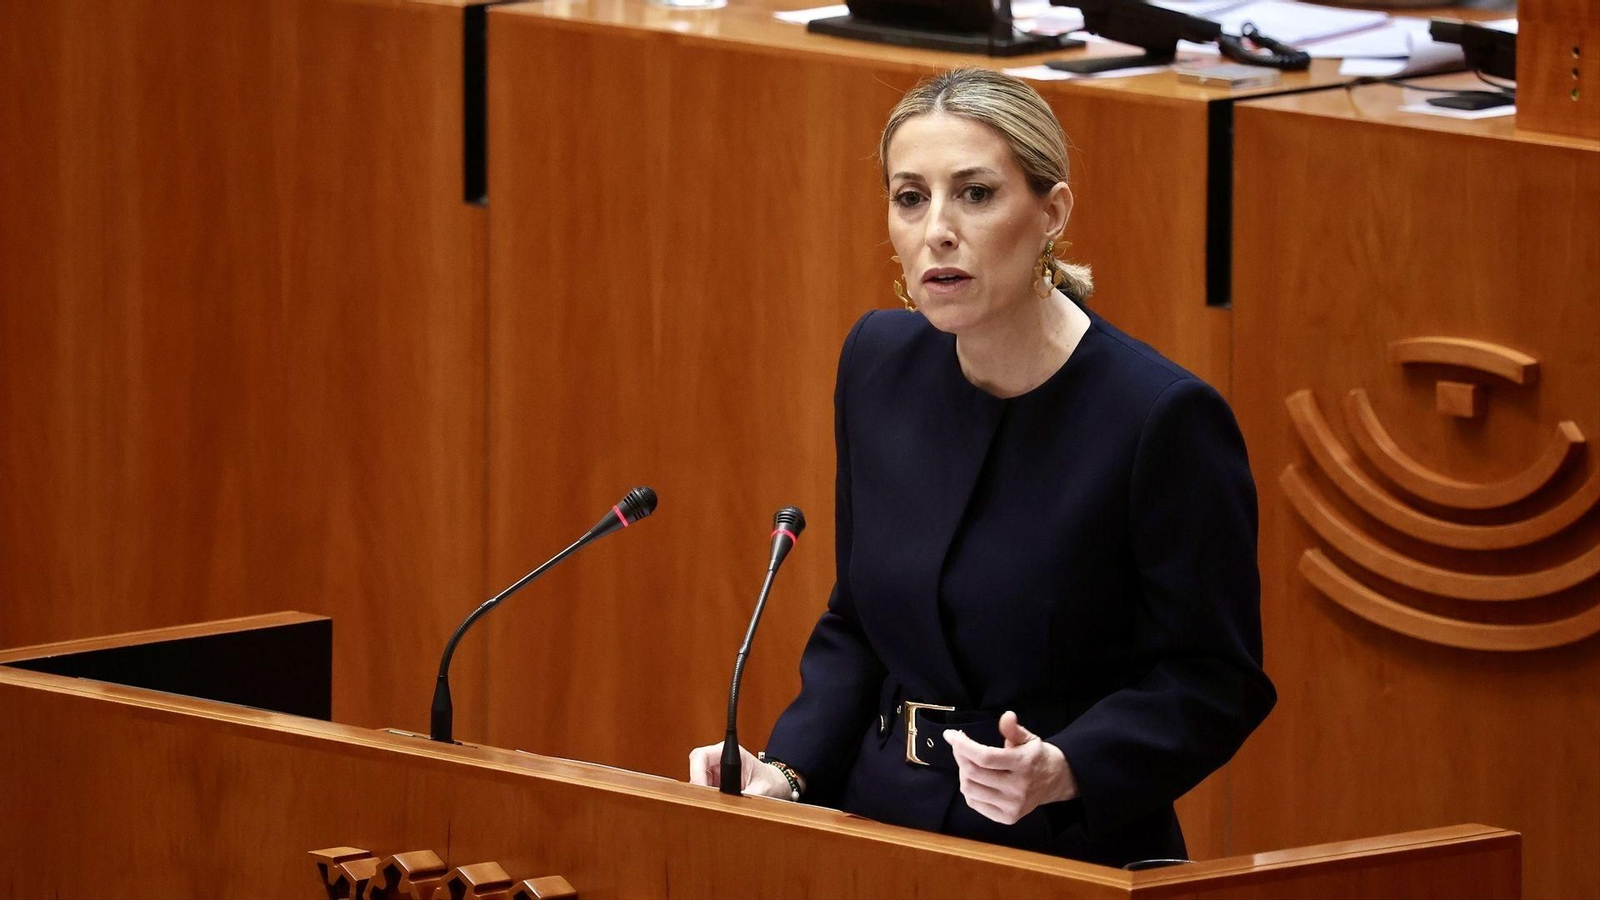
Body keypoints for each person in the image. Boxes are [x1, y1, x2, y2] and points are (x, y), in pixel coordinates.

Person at [689, 67, 1275, 867]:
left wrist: (1067, 768)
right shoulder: (876, 367)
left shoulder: (1158, 419)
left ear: (1051, 213)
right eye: (910, 197)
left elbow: (1214, 679)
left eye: (973, 194)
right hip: (878, 829)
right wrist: (786, 771)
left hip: (1064, 853)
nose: (937, 229)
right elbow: (859, 624)